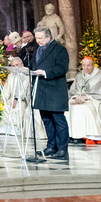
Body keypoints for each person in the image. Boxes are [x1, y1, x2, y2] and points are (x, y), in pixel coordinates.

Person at [30, 25, 69, 159]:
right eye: (36, 38)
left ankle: (62, 149)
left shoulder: (60, 50)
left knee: (58, 120)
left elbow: (62, 68)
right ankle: (51, 146)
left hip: (55, 90)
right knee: (46, 120)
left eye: (40, 38)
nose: (38, 41)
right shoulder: (37, 50)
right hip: (41, 89)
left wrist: (46, 72)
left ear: (48, 37)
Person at [66, 57, 101, 145]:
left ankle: (89, 136)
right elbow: (73, 90)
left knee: (85, 108)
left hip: (94, 100)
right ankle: (72, 135)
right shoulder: (79, 75)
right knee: (69, 106)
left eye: (88, 65)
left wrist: (87, 97)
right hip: (80, 99)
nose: (86, 68)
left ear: (93, 65)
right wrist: (77, 97)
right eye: (84, 65)